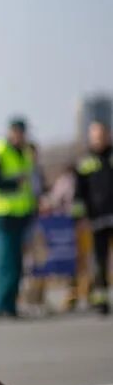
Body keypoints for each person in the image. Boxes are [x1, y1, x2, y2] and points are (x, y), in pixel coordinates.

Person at [0, 118, 37, 318]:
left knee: (17, 261)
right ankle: (0, 303)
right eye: (16, 132)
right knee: (5, 260)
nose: (19, 136)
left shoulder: (26, 152)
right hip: (1, 212)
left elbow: (29, 185)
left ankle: (10, 304)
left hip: (20, 213)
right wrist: (14, 183)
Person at [74, 121, 113, 315]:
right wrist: (80, 218)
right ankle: (101, 300)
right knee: (99, 261)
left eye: (103, 134)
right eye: (96, 136)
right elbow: (79, 195)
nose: (100, 139)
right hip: (97, 219)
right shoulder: (85, 162)